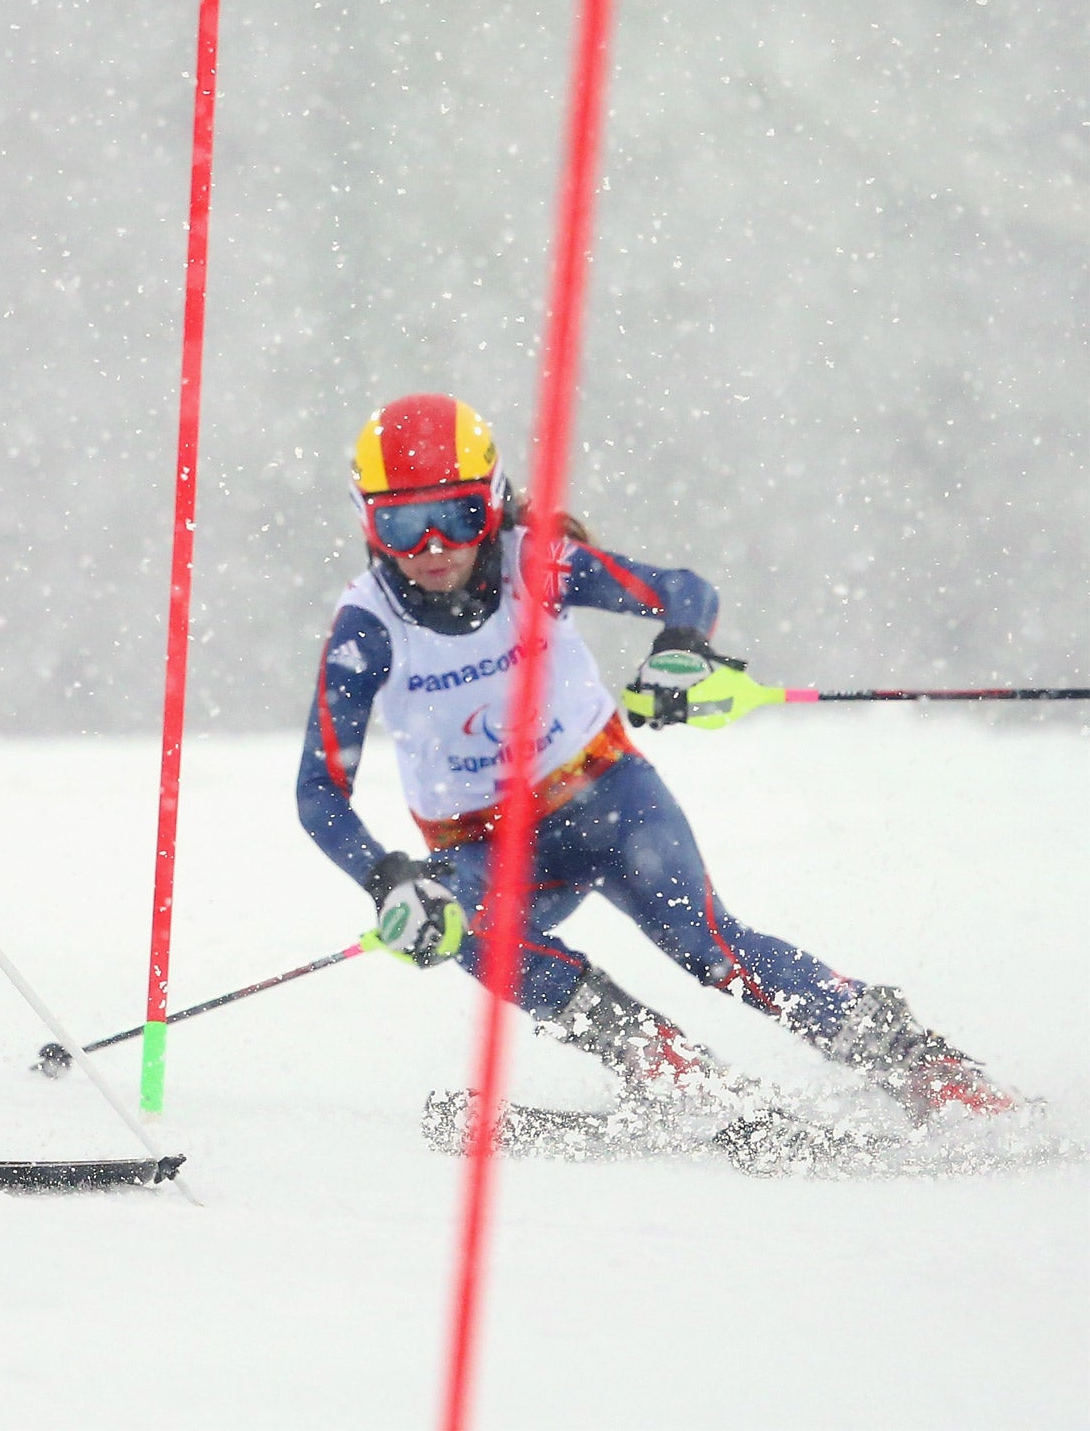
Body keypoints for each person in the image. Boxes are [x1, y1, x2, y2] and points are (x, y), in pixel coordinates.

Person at [296, 393, 1015, 1122]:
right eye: (401, 524)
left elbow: (682, 591)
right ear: (367, 524)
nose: (432, 549)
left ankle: (916, 1063)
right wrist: (388, 879)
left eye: (456, 516)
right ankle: (669, 1071)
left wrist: (681, 649)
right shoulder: (367, 626)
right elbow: (318, 794)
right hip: (484, 845)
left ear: (496, 498)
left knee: (709, 945)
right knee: (468, 931)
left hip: (606, 800)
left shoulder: (533, 561)